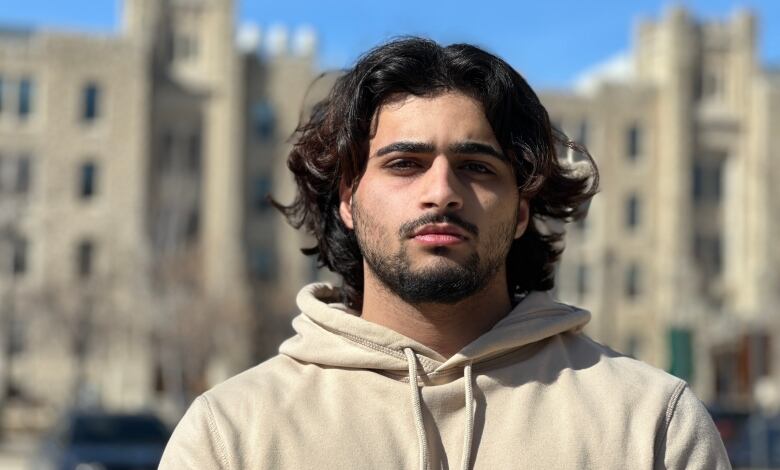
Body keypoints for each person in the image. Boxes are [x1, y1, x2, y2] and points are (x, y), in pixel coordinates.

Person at [159, 37, 730, 469]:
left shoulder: (651, 424)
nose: (442, 192)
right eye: (404, 164)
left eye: (477, 167)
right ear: (348, 201)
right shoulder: (230, 437)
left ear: (523, 209)